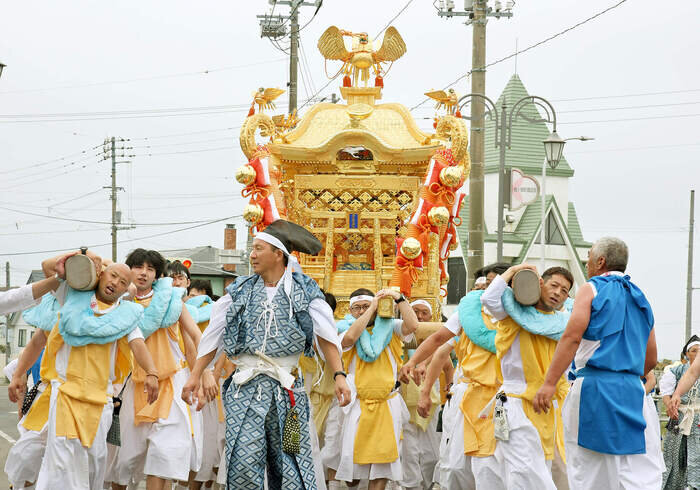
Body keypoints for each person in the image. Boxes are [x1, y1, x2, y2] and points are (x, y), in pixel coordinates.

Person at [181, 220, 351, 489]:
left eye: (259, 248)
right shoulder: (239, 291)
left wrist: (339, 374)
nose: (252, 254)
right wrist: (195, 374)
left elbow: (327, 337)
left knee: (291, 461)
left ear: (278, 254)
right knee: (244, 462)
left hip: (289, 392)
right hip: (245, 388)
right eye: (253, 249)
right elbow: (214, 335)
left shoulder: (305, 291)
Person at [10, 256, 160, 489]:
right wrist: (19, 373)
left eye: (122, 282)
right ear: (100, 275)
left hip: (100, 401)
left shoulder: (125, 315)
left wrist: (152, 373)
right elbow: (49, 267)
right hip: (63, 394)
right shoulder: (70, 296)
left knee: (92, 465)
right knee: (55, 460)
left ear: (125, 290)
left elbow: (138, 343)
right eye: (112, 276)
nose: (115, 283)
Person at [533, 237, 660, 490]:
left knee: (589, 472)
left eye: (589, 255)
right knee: (634, 474)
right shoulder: (641, 297)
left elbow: (571, 337)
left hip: (595, 388)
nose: (586, 261)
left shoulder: (591, 288)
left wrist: (549, 383)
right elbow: (651, 359)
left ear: (600, 261)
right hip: (633, 392)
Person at [107, 249, 202, 490]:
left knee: (164, 456)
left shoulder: (172, 302)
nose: (144, 273)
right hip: (131, 388)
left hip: (171, 386)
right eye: (139, 267)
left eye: (150, 269)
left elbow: (195, 338)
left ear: (157, 275)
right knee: (124, 460)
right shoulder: (117, 303)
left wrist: (204, 374)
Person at [473, 263, 573, 489]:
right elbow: (489, 299)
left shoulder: (563, 325)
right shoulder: (511, 313)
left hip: (548, 405)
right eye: (554, 285)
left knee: (542, 466)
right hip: (511, 403)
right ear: (540, 284)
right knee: (522, 469)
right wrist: (515, 270)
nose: (558, 292)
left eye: (564, 290)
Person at [328, 287, 417, 490]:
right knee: (352, 475)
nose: (361, 311)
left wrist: (399, 299)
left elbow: (412, 325)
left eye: (365, 306)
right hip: (358, 405)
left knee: (382, 466)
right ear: (350, 311)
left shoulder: (390, 327)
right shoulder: (345, 329)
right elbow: (350, 339)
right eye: (357, 308)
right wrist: (371, 308)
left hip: (387, 404)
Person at [399, 300, 441, 490]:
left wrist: (423, 363)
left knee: (431, 451)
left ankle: (428, 485)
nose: (421, 317)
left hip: (430, 399)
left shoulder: (439, 339)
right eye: (415, 312)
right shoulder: (397, 333)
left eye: (425, 313)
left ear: (432, 318)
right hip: (402, 396)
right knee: (408, 450)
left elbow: (442, 354)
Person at [664, 336, 700, 488]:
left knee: (696, 457)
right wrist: (674, 400)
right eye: (694, 351)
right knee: (674, 457)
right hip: (680, 418)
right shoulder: (676, 371)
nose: (697, 353)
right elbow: (667, 393)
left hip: (697, 418)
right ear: (687, 354)